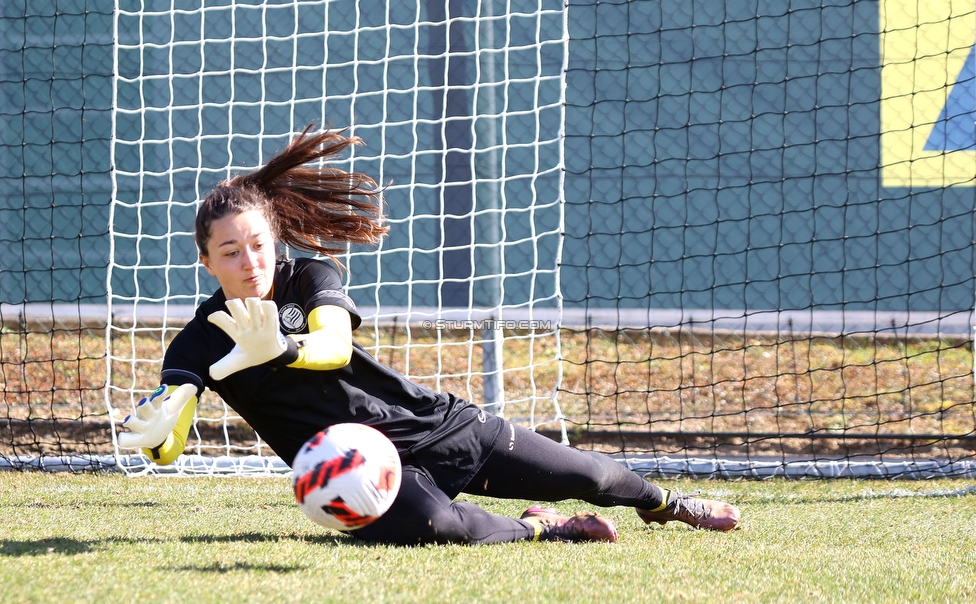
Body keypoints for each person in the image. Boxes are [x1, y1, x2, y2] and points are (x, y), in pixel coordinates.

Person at [119, 126, 740, 545]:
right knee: (438, 526)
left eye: (258, 244)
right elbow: (171, 433)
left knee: (595, 477)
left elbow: (333, 344)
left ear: (275, 239)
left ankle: (665, 503)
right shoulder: (198, 343)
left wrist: (281, 348)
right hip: (356, 472)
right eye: (230, 252)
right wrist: (158, 435)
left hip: (431, 423)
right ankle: (544, 529)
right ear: (207, 263)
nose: (249, 261)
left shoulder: (308, 275)